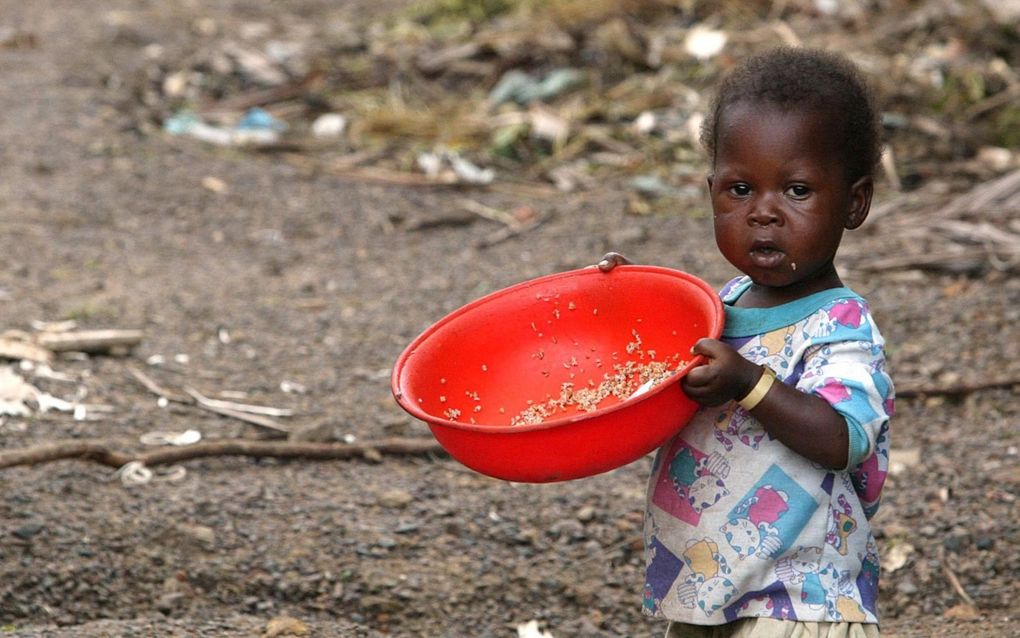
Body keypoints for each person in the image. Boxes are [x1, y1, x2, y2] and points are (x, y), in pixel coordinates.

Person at [599, 47, 894, 638]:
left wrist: (749, 383)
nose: (763, 213)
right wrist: (627, 300)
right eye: (739, 189)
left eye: (798, 191)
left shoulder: (839, 327)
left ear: (854, 202)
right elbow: (651, 375)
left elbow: (844, 438)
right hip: (706, 586)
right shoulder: (721, 308)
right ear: (710, 192)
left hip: (798, 600)